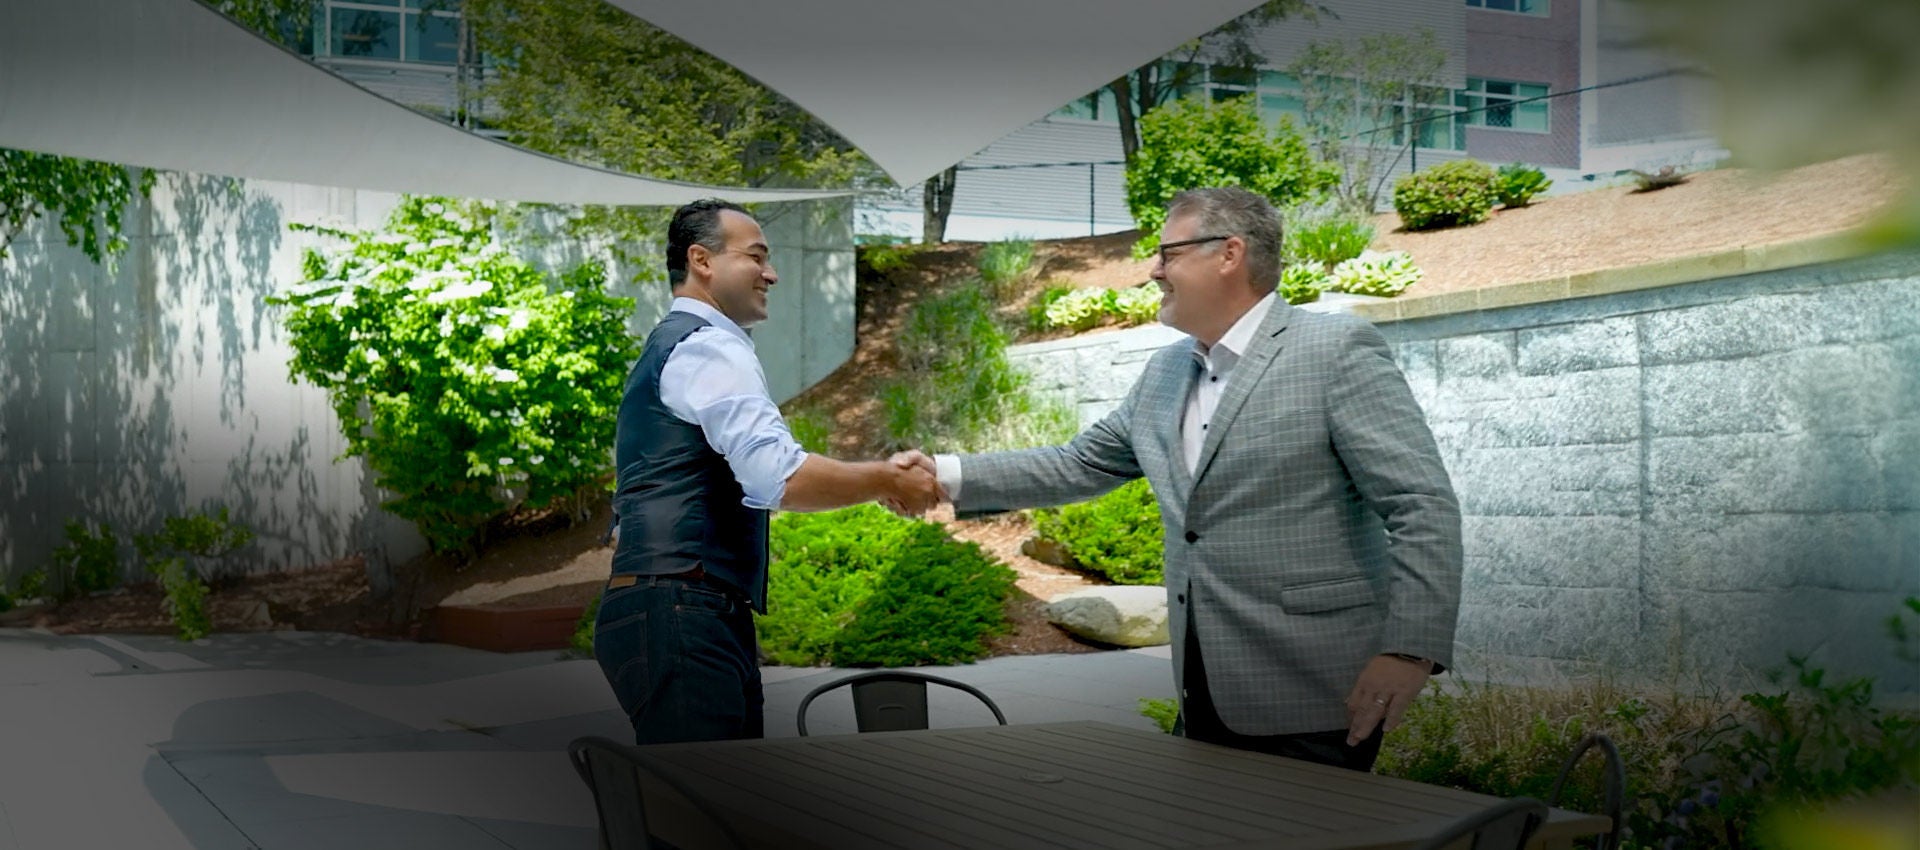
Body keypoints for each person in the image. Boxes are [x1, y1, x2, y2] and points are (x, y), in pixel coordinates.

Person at [898, 187, 1462, 771]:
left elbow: (1420, 505)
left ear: (1229, 253)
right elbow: (1080, 463)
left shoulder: (1335, 349)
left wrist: (1408, 649)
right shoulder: (1167, 369)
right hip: (1203, 692)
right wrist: (941, 474)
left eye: (1167, 254)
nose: (1153, 270)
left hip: (1315, 689)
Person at [598, 198, 940, 745]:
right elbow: (778, 478)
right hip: (684, 610)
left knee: (693, 807)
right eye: (757, 256)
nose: (771, 273)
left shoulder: (671, 347)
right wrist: (886, 479)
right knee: (705, 809)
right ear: (701, 260)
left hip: (669, 607)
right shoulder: (709, 347)